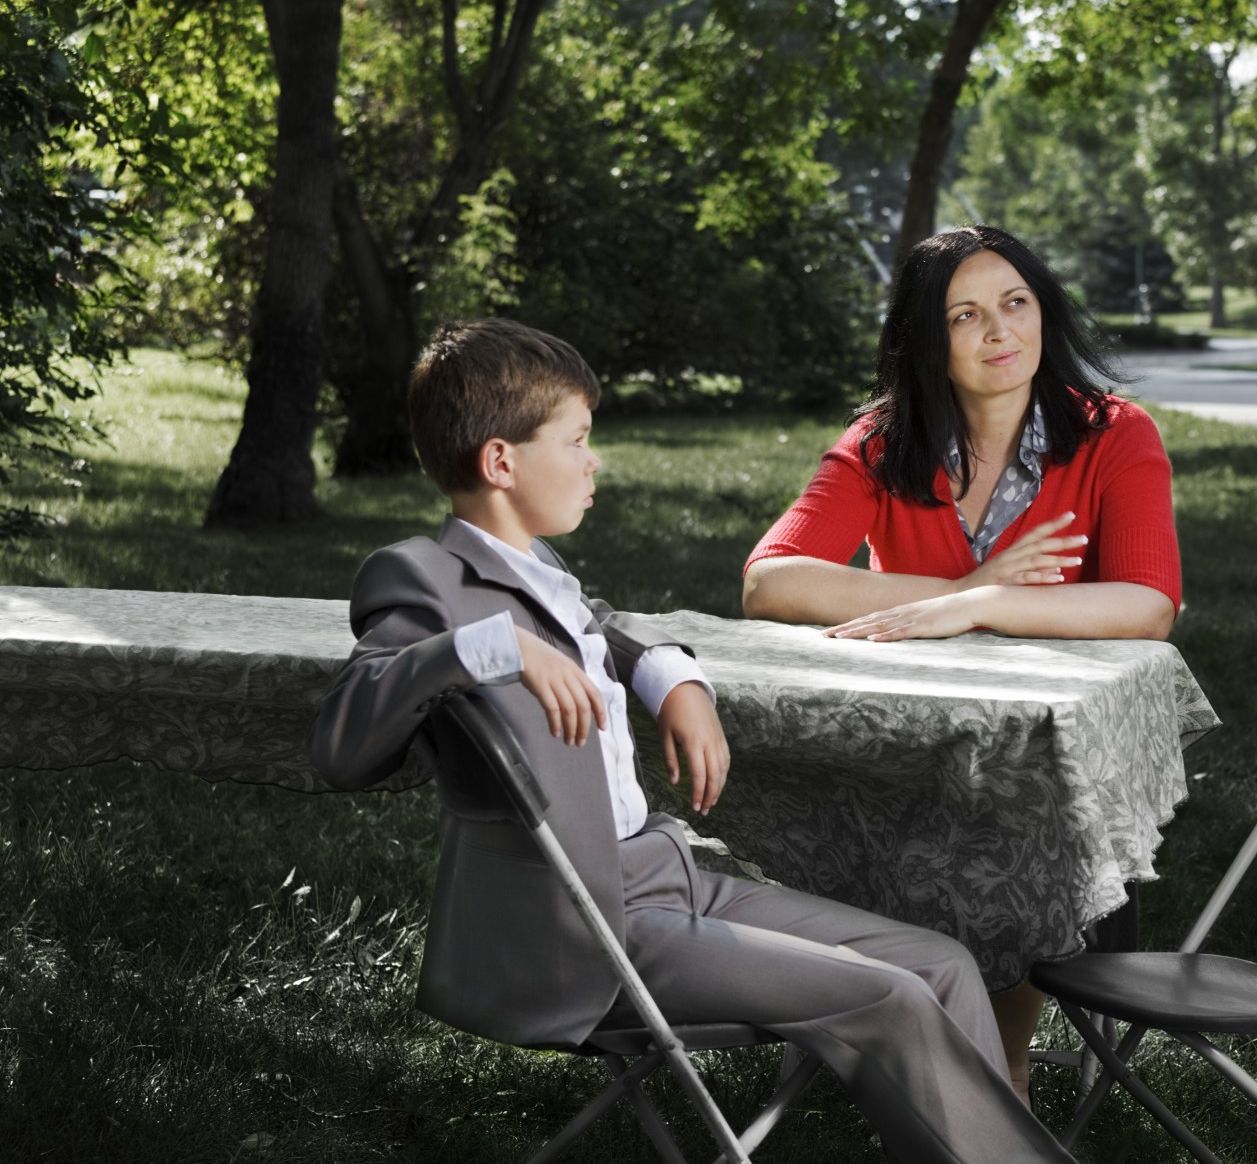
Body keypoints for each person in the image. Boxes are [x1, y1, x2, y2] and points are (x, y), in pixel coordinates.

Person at [311, 318, 1069, 1164]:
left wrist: (671, 677)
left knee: (940, 961)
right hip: (579, 931)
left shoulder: (543, 570)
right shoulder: (422, 578)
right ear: (501, 462)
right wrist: (484, 647)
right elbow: (343, 740)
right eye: (578, 439)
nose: (594, 460)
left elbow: (598, 629)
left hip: (661, 875)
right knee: (890, 997)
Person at [742, 224, 1183, 1099]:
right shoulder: (882, 439)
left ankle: (998, 1063)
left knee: (1004, 814)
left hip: (1040, 757)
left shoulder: (1114, 435)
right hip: (905, 739)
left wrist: (975, 604)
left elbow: (1146, 606)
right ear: (925, 339)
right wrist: (969, 578)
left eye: (1016, 304)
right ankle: (877, 1018)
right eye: (966, 316)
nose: (1000, 333)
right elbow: (771, 579)